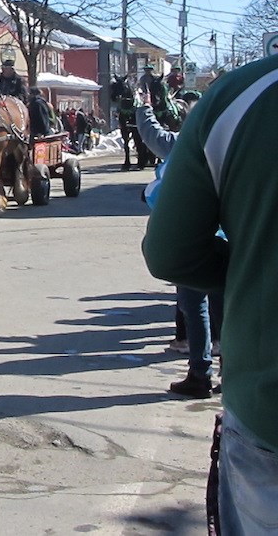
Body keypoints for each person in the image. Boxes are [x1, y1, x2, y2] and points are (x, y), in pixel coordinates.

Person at [141, 54, 278, 529]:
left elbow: (168, 252)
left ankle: (200, 366)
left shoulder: (240, 97)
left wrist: (248, 275)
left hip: (269, 410)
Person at [136, 101, 222, 399]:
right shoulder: (233, 147)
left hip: (195, 239)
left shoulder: (184, 152)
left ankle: (200, 373)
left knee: (195, 306)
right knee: (224, 307)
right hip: (228, 239)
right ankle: (230, 370)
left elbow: (161, 193)